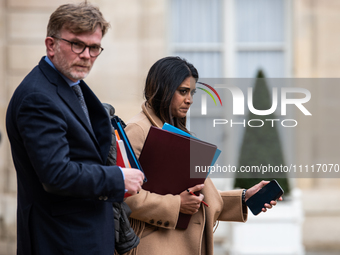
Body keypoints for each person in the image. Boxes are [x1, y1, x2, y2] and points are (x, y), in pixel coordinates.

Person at [6, 2, 144, 255]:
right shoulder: (37, 97)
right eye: (77, 44)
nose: (86, 55)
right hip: (60, 240)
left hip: (81, 235)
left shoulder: (68, 83)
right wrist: (118, 178)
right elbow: (56, 173)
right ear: (51, 44)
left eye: (94, 48)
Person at [122, 56, 282, 255]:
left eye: (191, 92)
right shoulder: (137, 130)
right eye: (182, 91)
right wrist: (176, 204)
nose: (189, 100)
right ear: (163, 89)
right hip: (153, 246)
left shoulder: (178, 132)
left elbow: (196, 196)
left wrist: (244, 197)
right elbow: (122, 195)